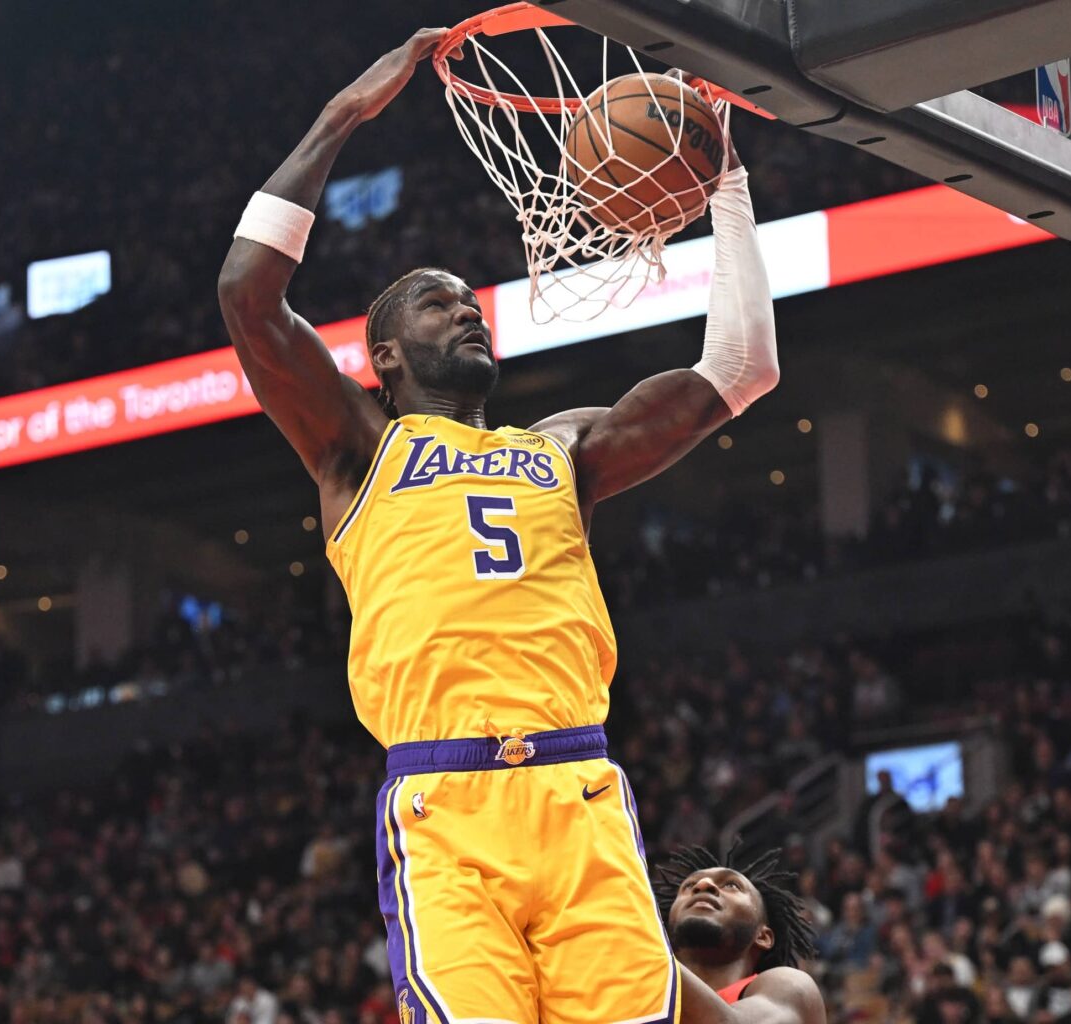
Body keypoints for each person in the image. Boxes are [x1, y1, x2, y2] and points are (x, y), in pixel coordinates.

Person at [217, 28, 781, 1024]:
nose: (466, 311)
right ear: (383, 357)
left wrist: (726, 182)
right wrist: (343, 113)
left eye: (471, 301)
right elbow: (249, 296)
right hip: (448, 804)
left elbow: (741, 372)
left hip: (580, 794)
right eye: (437, 306)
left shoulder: (562, 448)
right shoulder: (356, 445)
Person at [657, 845, 824, 1022]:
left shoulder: (791, 986)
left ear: (763, 936)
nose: (702, 885)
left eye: (731, 885)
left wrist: (648, 946)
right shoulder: (638, 998)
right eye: (689, 885)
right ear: (667, 929)